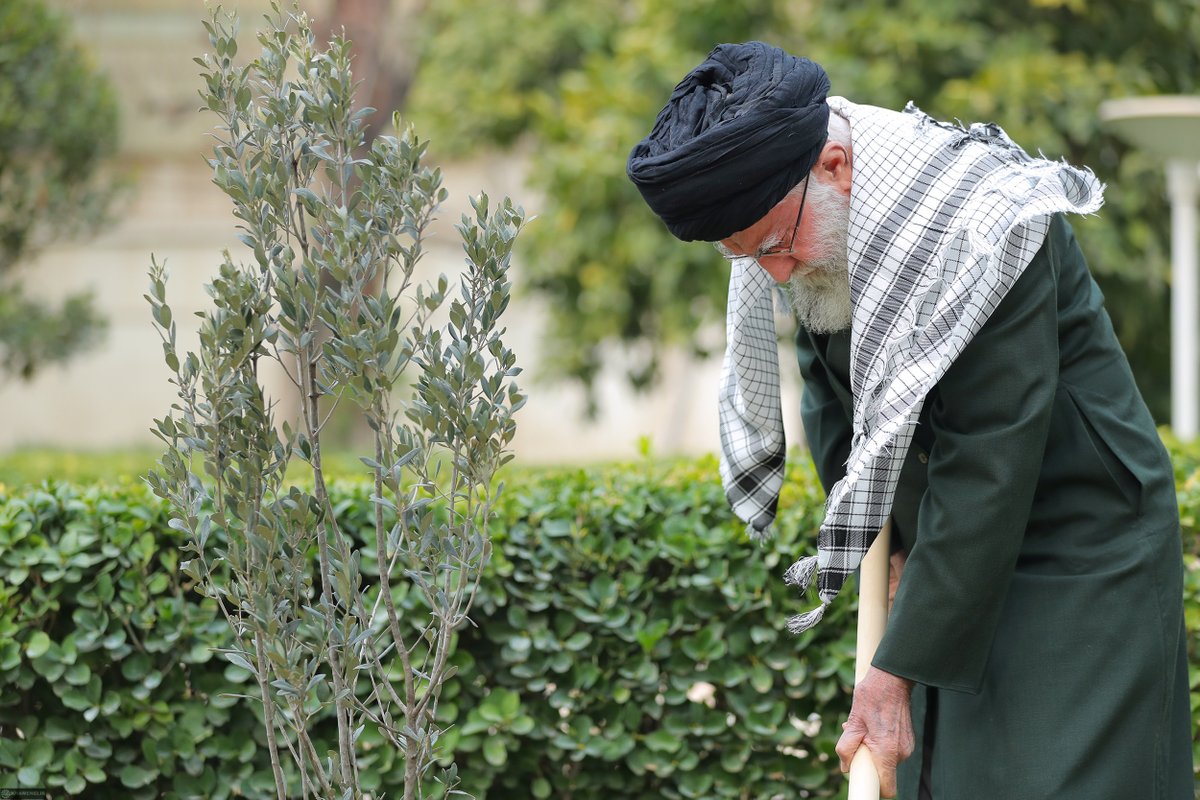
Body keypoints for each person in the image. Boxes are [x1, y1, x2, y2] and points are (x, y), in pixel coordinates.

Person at [626, 41, 1194, 799]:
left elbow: (989, 457)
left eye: (775, 245)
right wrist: (877, 546)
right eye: (750, 256)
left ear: (834, 165)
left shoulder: (986, 222)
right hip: (950, 558)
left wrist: (892, 672)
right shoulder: (804, 227)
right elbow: (834, 400)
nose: (778, 273)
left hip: (1080, 544)